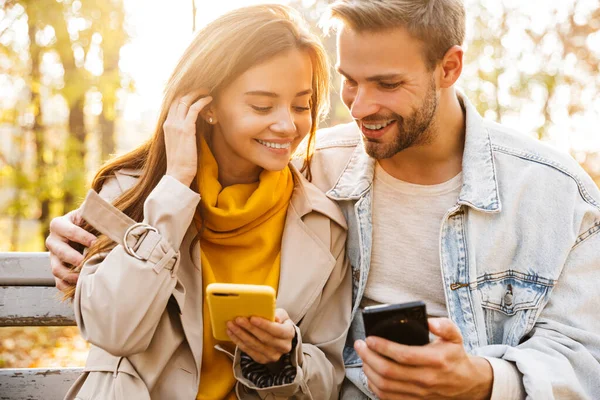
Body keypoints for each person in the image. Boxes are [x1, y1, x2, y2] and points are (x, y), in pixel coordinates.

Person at [49, 1, 600, 399]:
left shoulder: (554, 195)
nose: (359, 108)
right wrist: (90, 230)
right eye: (349, 83)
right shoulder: (325, 166)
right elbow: (154, 201)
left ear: (449, 68)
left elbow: (585, 358)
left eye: (387, 83)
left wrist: (482, 380)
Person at [47, 5, 352, 399]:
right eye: (262, 105)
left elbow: (327, 379)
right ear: (206, 106)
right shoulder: (129, 192)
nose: (288, 125)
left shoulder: (322, 223)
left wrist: (282, 360)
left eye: (301, 105)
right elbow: (113, 331)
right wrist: (174, 189)